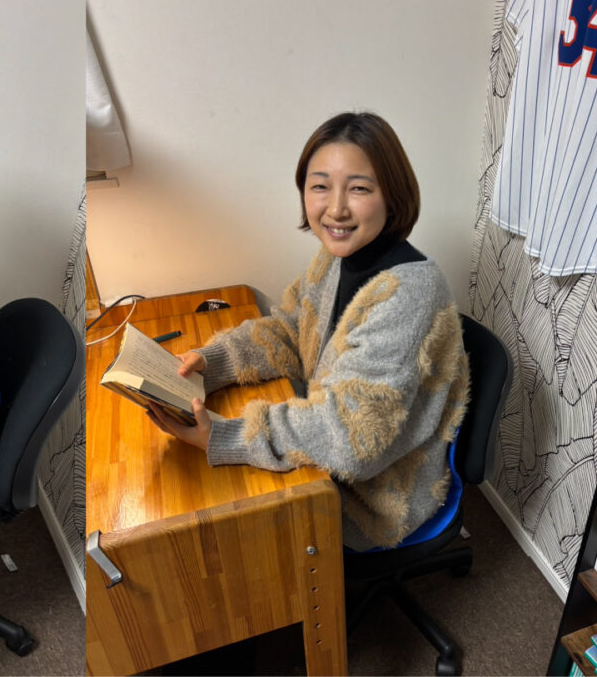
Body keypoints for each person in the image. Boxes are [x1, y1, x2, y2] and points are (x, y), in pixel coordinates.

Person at [147, 112, 469, 550]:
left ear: (393, 195)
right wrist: (213, 362)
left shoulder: (409, 293)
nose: (335, 209)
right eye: (320, 186)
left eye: (359, 188)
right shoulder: (336, 257)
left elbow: (355, 439)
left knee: (208, 526)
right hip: (333, 447)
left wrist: (229, 437)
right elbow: (292, 329)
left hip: (376, 494)